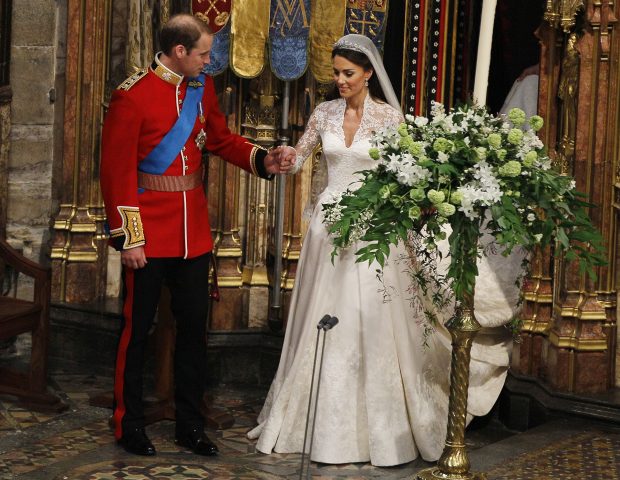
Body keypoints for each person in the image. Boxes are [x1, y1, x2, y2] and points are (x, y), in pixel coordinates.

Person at [247, 34, 517, 466]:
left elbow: (409, 173)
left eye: (347, 73)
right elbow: (298, 159)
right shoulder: (324, 113)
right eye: (335, 72)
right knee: (326, 315)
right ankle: (309, 421)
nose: (340, 80)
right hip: (329, 228)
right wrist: (279, 156)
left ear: (368, 73)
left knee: (368, 318)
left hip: (375, 231)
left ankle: (380, 427)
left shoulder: (390, 120)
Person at [100, 14, 285, 457]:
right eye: (203, 53)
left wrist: (263, 160)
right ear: (179, 51)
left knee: (193, 335)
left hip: (193, 235)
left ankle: (190, 424)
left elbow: (219, 140)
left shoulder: (200, 91)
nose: (209, 60)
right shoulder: (132, 95)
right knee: (136, 332)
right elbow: (116, 172)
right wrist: (131, 238)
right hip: (148, 234)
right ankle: (129, 425)